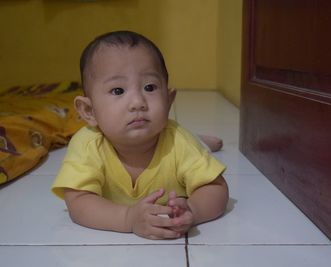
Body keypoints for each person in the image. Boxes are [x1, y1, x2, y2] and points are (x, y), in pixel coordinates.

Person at [51, 30, 229, 240]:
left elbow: (216, 188)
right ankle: (203, 140)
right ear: (89, 111)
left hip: (182, 140)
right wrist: (126, 218)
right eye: (118, 90)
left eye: (150, 87)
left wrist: (193, 209)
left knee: (189, 140)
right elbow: (78, 201)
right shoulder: (87, 144)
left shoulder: (179, 141)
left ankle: (201, 141)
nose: (137, 102)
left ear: (169, 100)